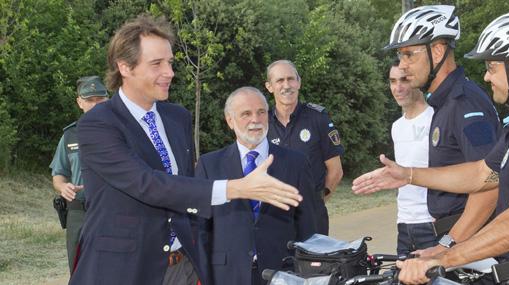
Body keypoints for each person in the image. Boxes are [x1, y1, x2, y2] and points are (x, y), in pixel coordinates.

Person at [70, 15, 303, 285]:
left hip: (183, 267)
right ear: (125, 67)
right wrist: (236, 188)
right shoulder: (98, 124)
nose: (169, 72)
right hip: (123, 269)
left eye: (169, 62)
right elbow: (148, 184)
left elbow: (186, 186)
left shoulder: (177, 117)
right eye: (156, 64)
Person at [354, 11, 509, 285]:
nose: (487, 77)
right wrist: (408, 175)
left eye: (492, 67)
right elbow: (482, 174)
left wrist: (445, 256)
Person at [362, 5, 501, 256]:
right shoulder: (443, 103)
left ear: (437, 51)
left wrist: (448, 244)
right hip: (449, 236)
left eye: (408, 55)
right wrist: (408, 176)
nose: (402, 66)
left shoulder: (464, 103)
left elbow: (492, 183)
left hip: (463, 242)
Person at [195, 87, 317, 285]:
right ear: (230, 121)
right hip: (227, 275)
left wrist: (308, 275)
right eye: (246, 114)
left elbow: (309, 226)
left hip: (283, 273)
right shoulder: (209, 165)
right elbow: (202, 230)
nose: (256, 119)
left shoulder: (296, 163)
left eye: (261, 112)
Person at [265, 59, 344, 235]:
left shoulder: (318, 118)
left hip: (312, 217)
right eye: (279, 81)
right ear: (269, 87)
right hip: (273, 217)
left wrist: (317, 202)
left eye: (291, 79)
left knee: (313, 262)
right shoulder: (263, 124)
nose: (287, 85)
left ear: (299, 82)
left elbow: (336, 171)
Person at [49, 75, 108, 272]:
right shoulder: (69, 136)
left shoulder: (122, 131)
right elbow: (58, 174)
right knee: (79, 268)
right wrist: (63, 186)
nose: (95, 104)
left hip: (111, 209)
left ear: (108, 99)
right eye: (90, 100)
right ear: (79, 102)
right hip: (78, 212)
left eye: (100, 99)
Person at [387, 59, 436, 257]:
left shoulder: (436, 119)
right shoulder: (396, 127)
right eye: (392, 81)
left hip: (433, 224)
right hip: (405, 224)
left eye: (404, 80)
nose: (398, 88)